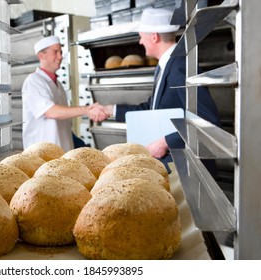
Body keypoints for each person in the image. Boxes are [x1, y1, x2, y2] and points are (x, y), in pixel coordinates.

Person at [103, 7, 221, 174]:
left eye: (141, 36)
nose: (140, 42)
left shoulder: (181, 66)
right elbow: (153, 108)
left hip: (189, 171)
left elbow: (206, 121)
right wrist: (112, 110)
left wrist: (166, 141)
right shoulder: (165, 66)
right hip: (173, 167)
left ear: (154, 36)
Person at [22, 35, 107, 151]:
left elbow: (61, 120)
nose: (60, 57)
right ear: (41, 55)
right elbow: (50, 112)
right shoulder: (34, 81)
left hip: (62, 150)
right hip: (41, 153)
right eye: (55, 52)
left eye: (61, 52)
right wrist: (87, 110)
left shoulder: (59, 85)